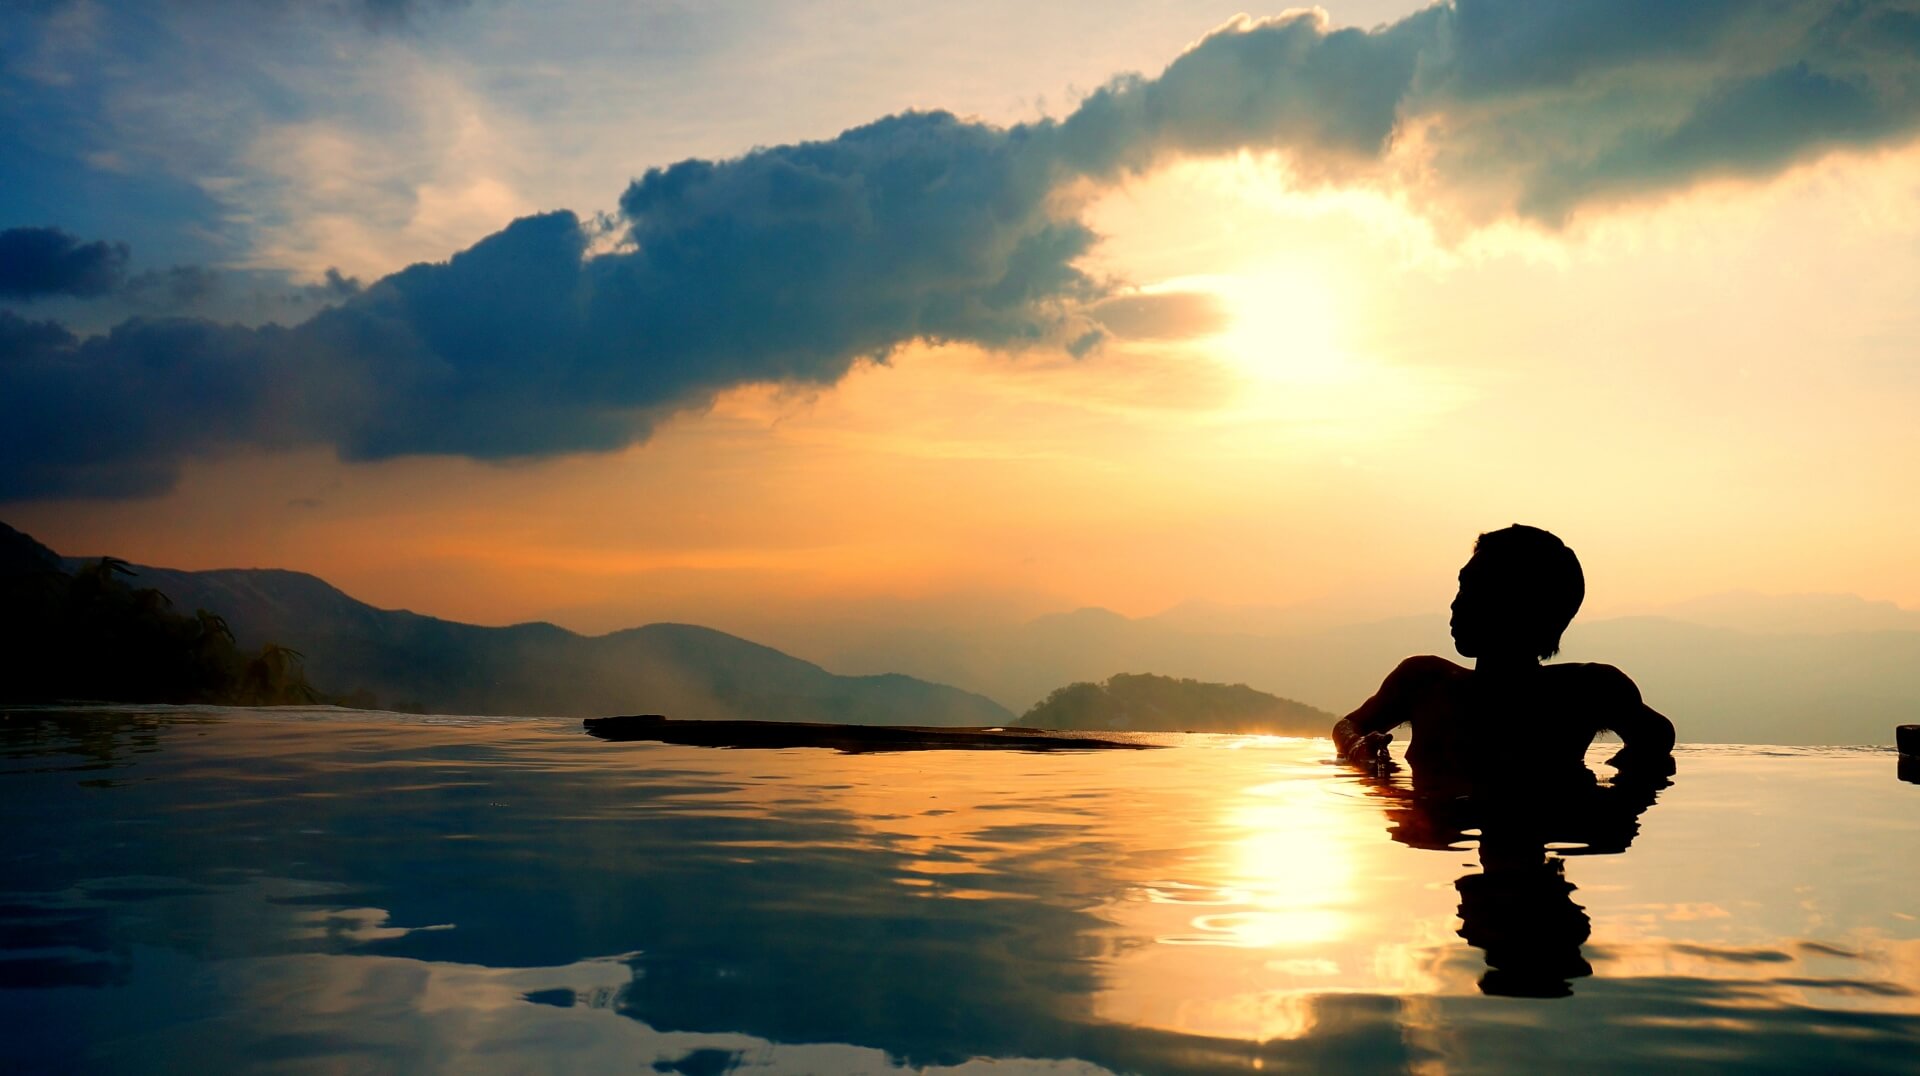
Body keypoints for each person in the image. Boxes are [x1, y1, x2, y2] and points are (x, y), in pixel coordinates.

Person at [1331, 524, 1675, 782]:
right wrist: (1357, 747)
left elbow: (1657, 738)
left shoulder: (1588, 691)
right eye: (1462, 586)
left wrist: (1616, 792)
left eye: (1477, 591)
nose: (1456, 604)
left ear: (1524, 607)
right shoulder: (1422, 681)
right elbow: (1349, 725)